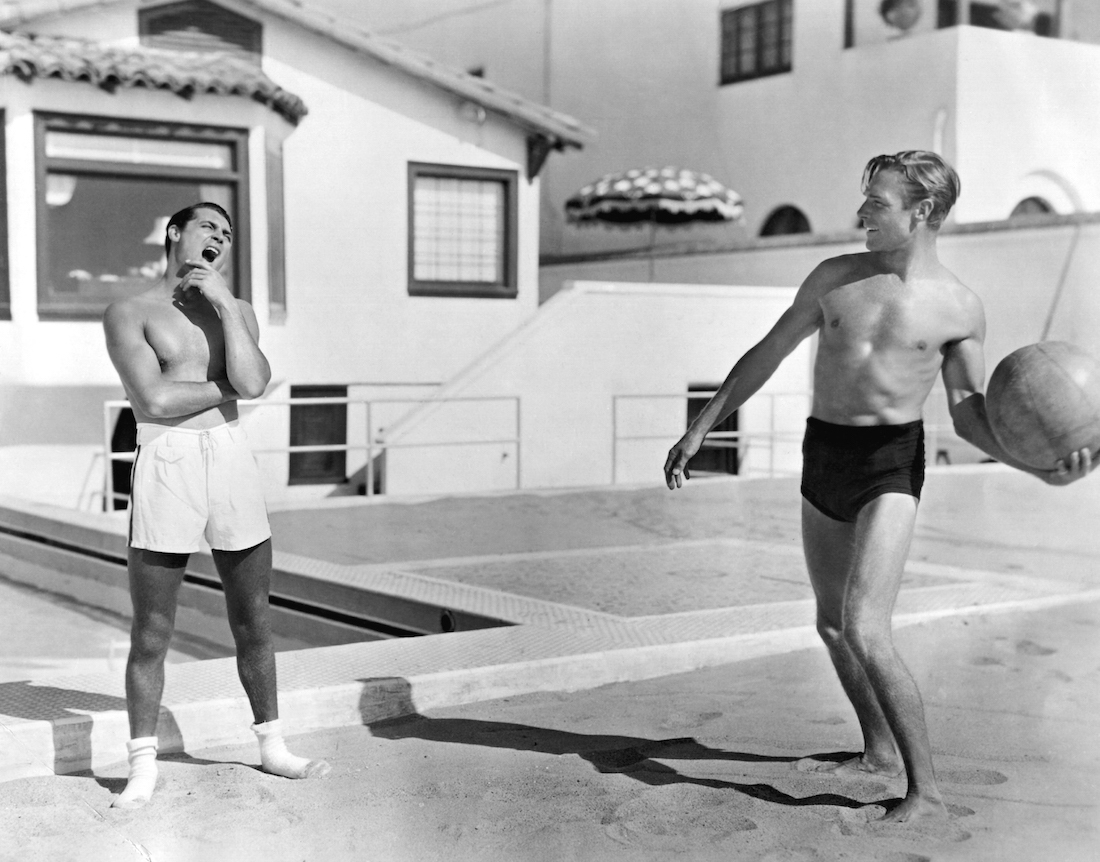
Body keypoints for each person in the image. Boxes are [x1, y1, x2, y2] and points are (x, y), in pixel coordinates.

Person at [663, 151, 1093, 824]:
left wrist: (1036, 466)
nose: (862, 212)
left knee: (866, 626)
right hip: (824, 452)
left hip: (890, 462)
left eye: (877, 203)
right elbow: (768, 353)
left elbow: (967, 412)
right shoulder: (834, 279)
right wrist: (703, 427)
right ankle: (878, 754)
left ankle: (926, 789)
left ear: (922, 212)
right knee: (832, 625)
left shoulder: (958, 308)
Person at [103, 202, 329, 809]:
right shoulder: (129, 310)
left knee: (253, 618)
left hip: (229, 456)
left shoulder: (240, 311)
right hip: (167, 460)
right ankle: (143, 766)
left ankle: (272, 745)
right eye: (209, 228)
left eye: (227, 235)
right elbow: (152, 398)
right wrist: (229, 388)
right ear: (175, 232)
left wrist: (227, 306)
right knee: (152, 628)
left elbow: (254, 382)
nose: (219, 239)